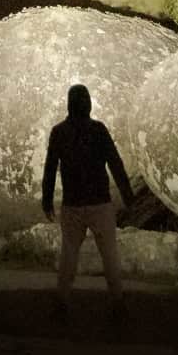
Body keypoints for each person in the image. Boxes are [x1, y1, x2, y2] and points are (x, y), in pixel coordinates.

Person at [41, 83, 135, 318]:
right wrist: (128, 196)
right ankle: (118, 303)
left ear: (69, 105)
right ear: (89, 104)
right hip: (100, 202)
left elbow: (50, 168)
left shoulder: (59, 132)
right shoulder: (98, 130)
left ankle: (61, 302)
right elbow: (115, 163)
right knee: (110, 255)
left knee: (69, 255)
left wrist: (47, 200)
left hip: (72, 204)